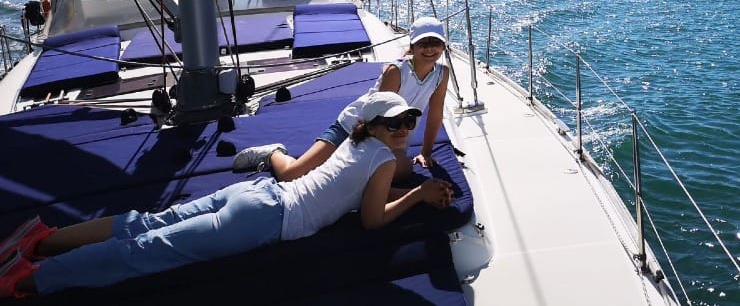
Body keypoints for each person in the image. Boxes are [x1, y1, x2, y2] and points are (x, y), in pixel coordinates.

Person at [0, 92, 453, 299]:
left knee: (147, 224)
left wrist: (413, 191)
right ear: (372, 127)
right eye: (395, 123)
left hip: (259, 192)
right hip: (264, 219)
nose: (405, 129)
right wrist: (417, 196)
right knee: (147, 250)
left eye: (409, 121)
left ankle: (43, 239)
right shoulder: (382, 158)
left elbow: (363, 192)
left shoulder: (357, 146)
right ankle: (28, 280)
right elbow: (373, 220)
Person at [233, 16, 451, 180]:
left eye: (436, 43)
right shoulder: (397, 71)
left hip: (389, 140)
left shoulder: (441, 74)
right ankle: (273, 154)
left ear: (443, 46)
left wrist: (425, 153)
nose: (430, 49)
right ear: (412, 46)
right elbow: (379, 118)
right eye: (423, 43)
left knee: (402, 171)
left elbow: (435, 115)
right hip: (355, 128)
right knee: (293, 175)